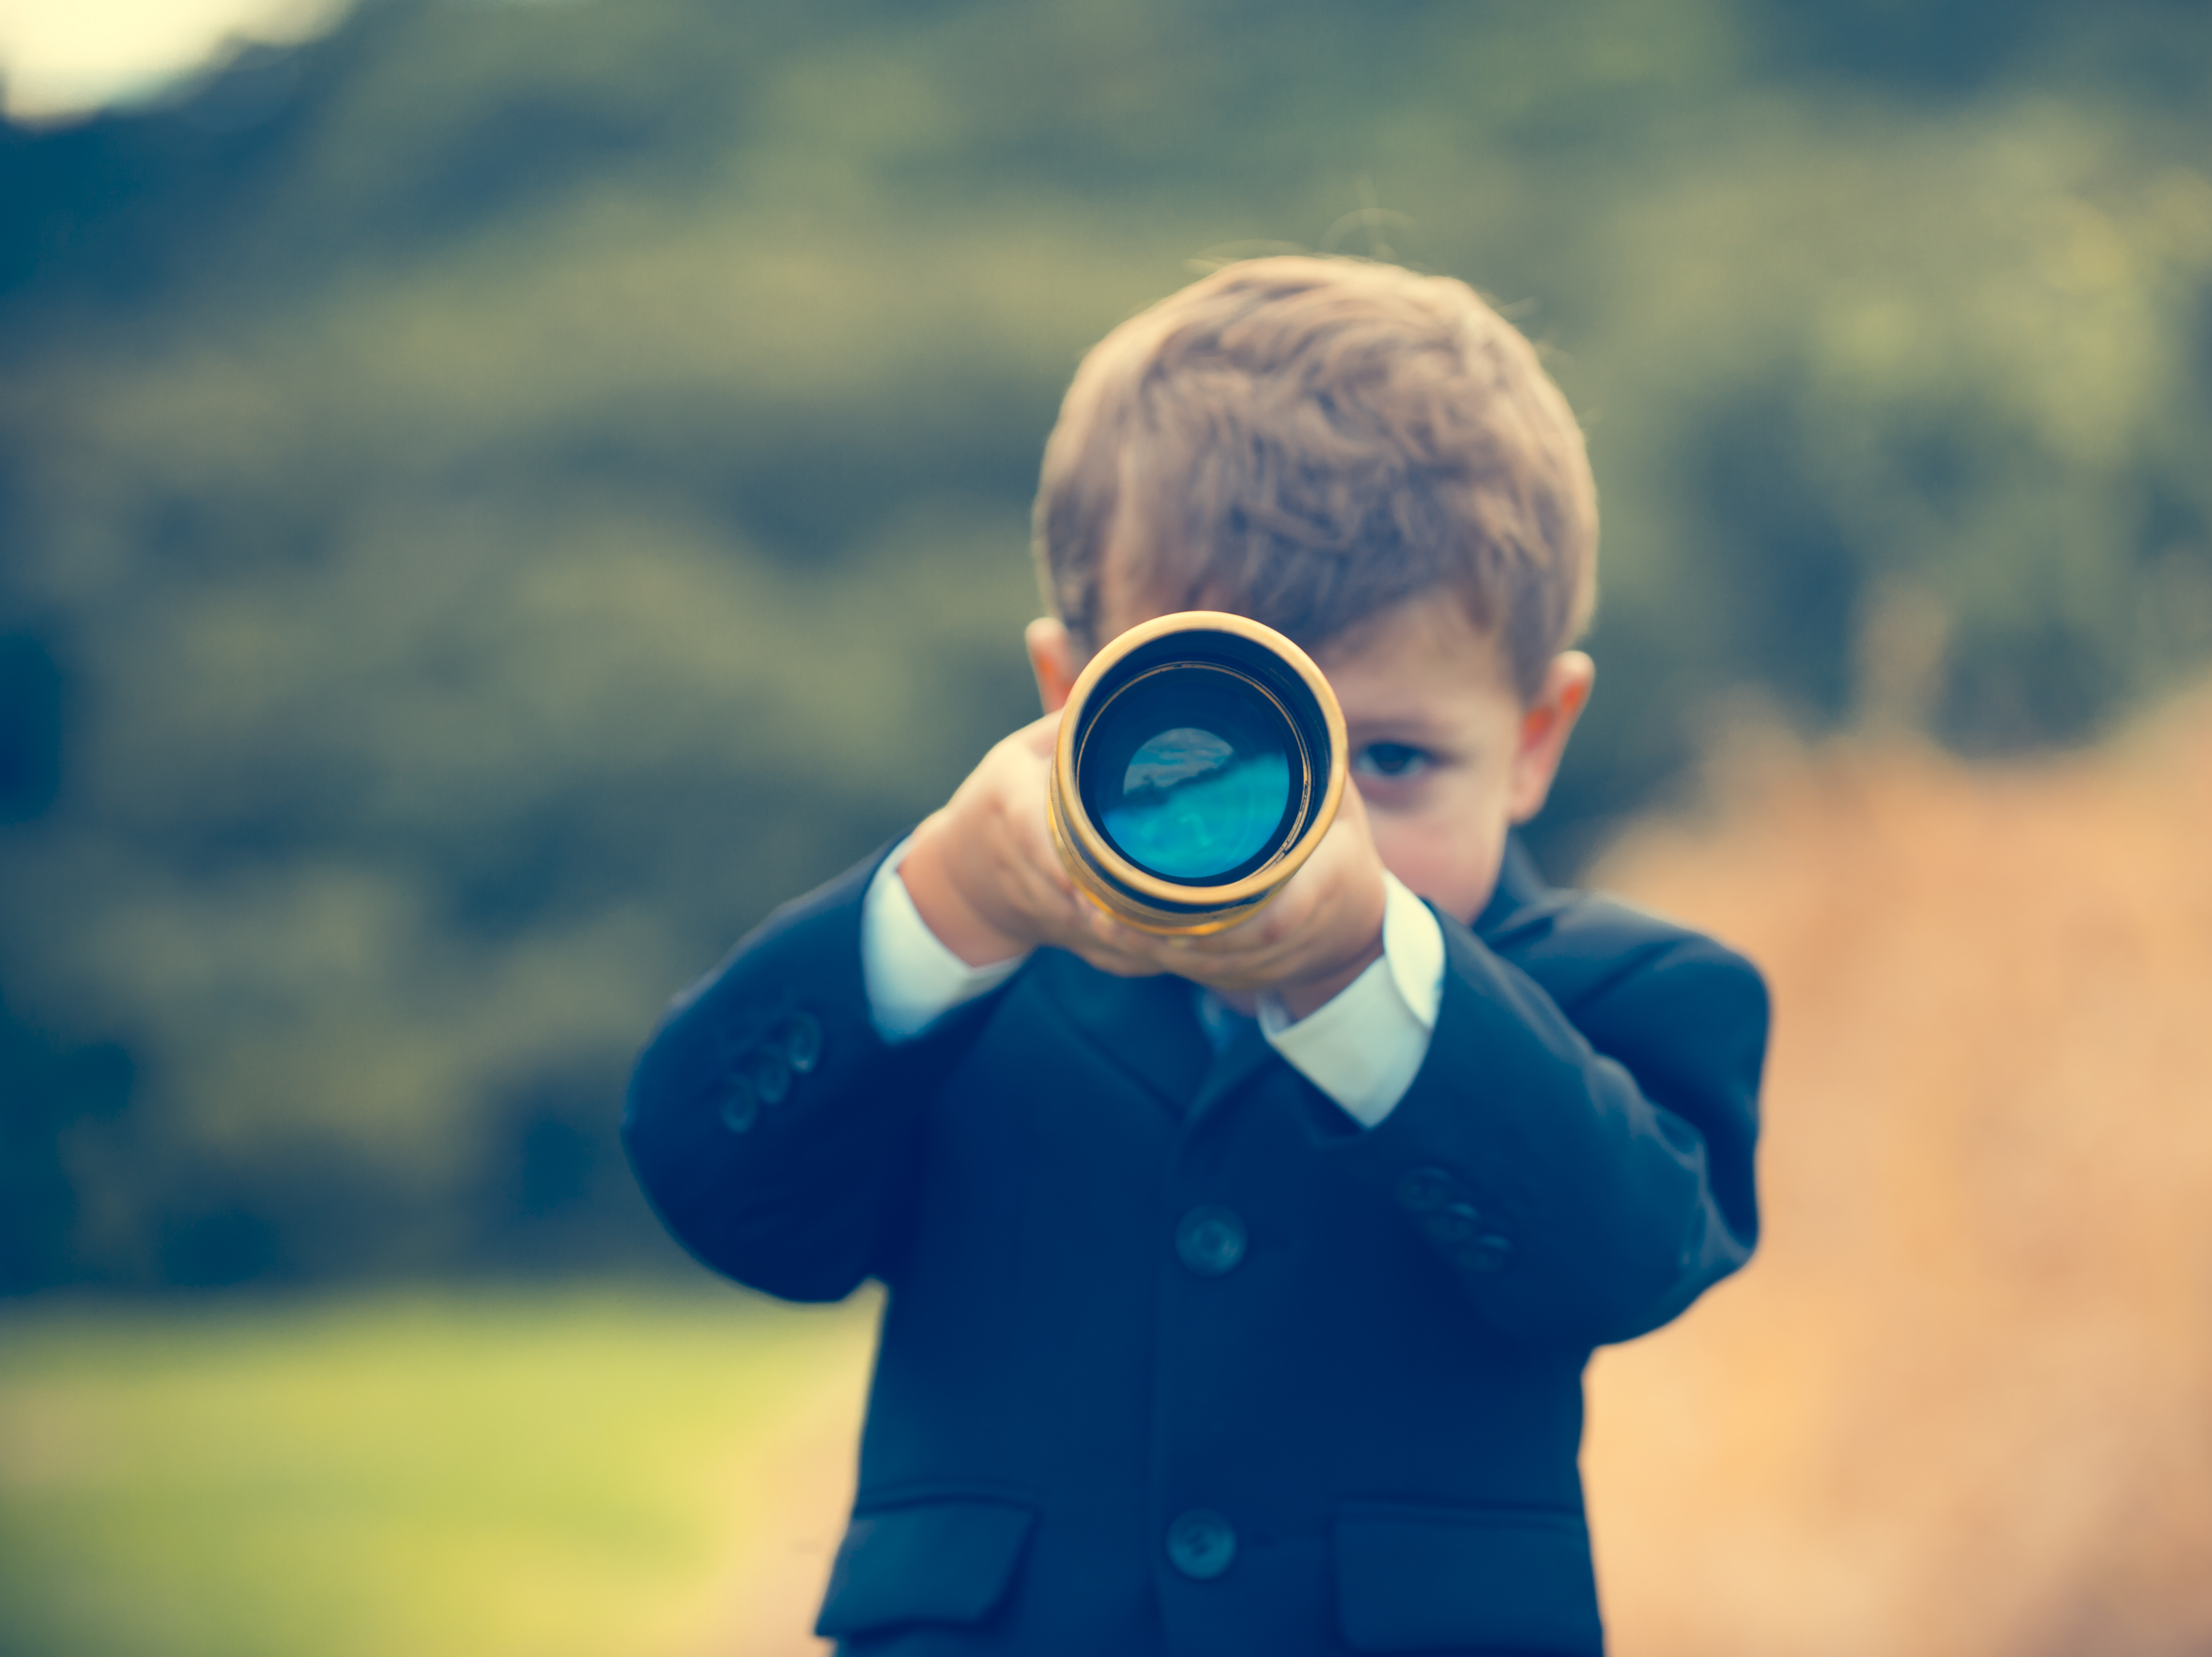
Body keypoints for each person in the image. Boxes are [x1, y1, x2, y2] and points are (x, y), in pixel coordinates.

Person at [622, 255, 1769, 1656]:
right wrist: (949, 903)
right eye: (1211, 758)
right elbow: (715, 1178)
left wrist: (1358, 967)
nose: (1316, 831)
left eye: (1391, 760)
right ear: (1071, 699)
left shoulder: (1622, 996)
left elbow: (1619, 1260)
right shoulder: (980, 984)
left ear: (1535, 738)